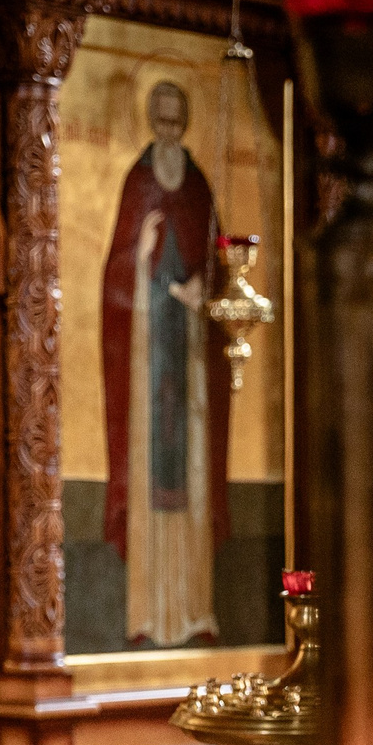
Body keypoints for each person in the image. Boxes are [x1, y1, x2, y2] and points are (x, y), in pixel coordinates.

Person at [102, 79, 235, 648]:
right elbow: (115, 272)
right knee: (152, 479)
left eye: (176, 121)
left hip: (191, 370)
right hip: (147, 365)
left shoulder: (200, 185)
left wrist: (204, 291)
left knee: (193, 480)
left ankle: (196, 611)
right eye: (160, 121)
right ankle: (148, 617)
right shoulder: (138, 180)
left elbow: (222, 267)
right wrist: (140, 261)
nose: (168, 131)